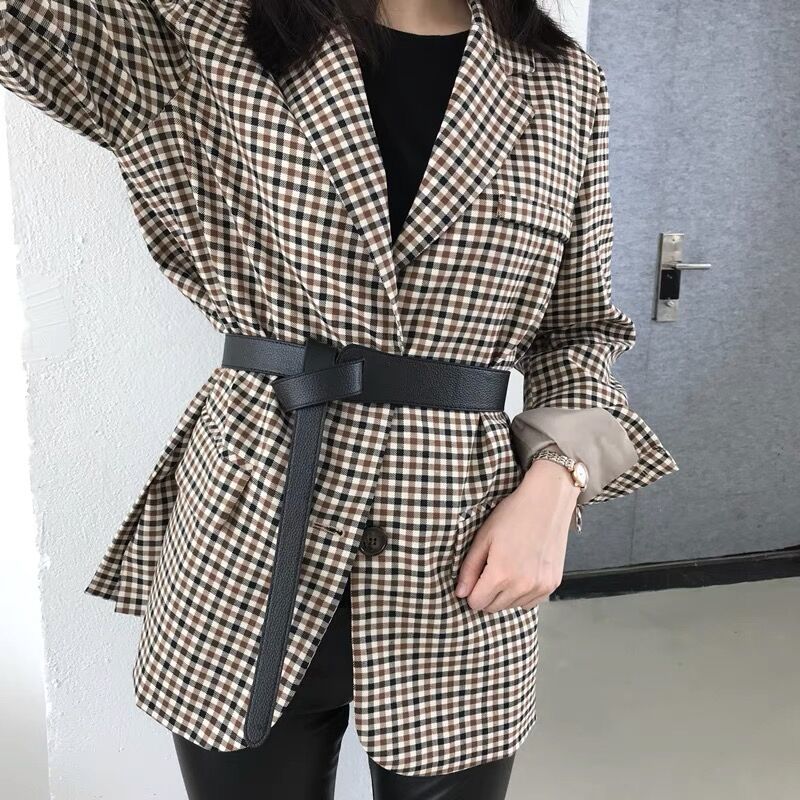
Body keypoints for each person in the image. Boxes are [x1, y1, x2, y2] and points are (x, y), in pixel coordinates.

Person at [0, 0, 678, 797]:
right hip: (250, 528)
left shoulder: (563, 83)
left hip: (462, 546)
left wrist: (557, 485)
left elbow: (577, 331)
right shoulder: (204, 30)